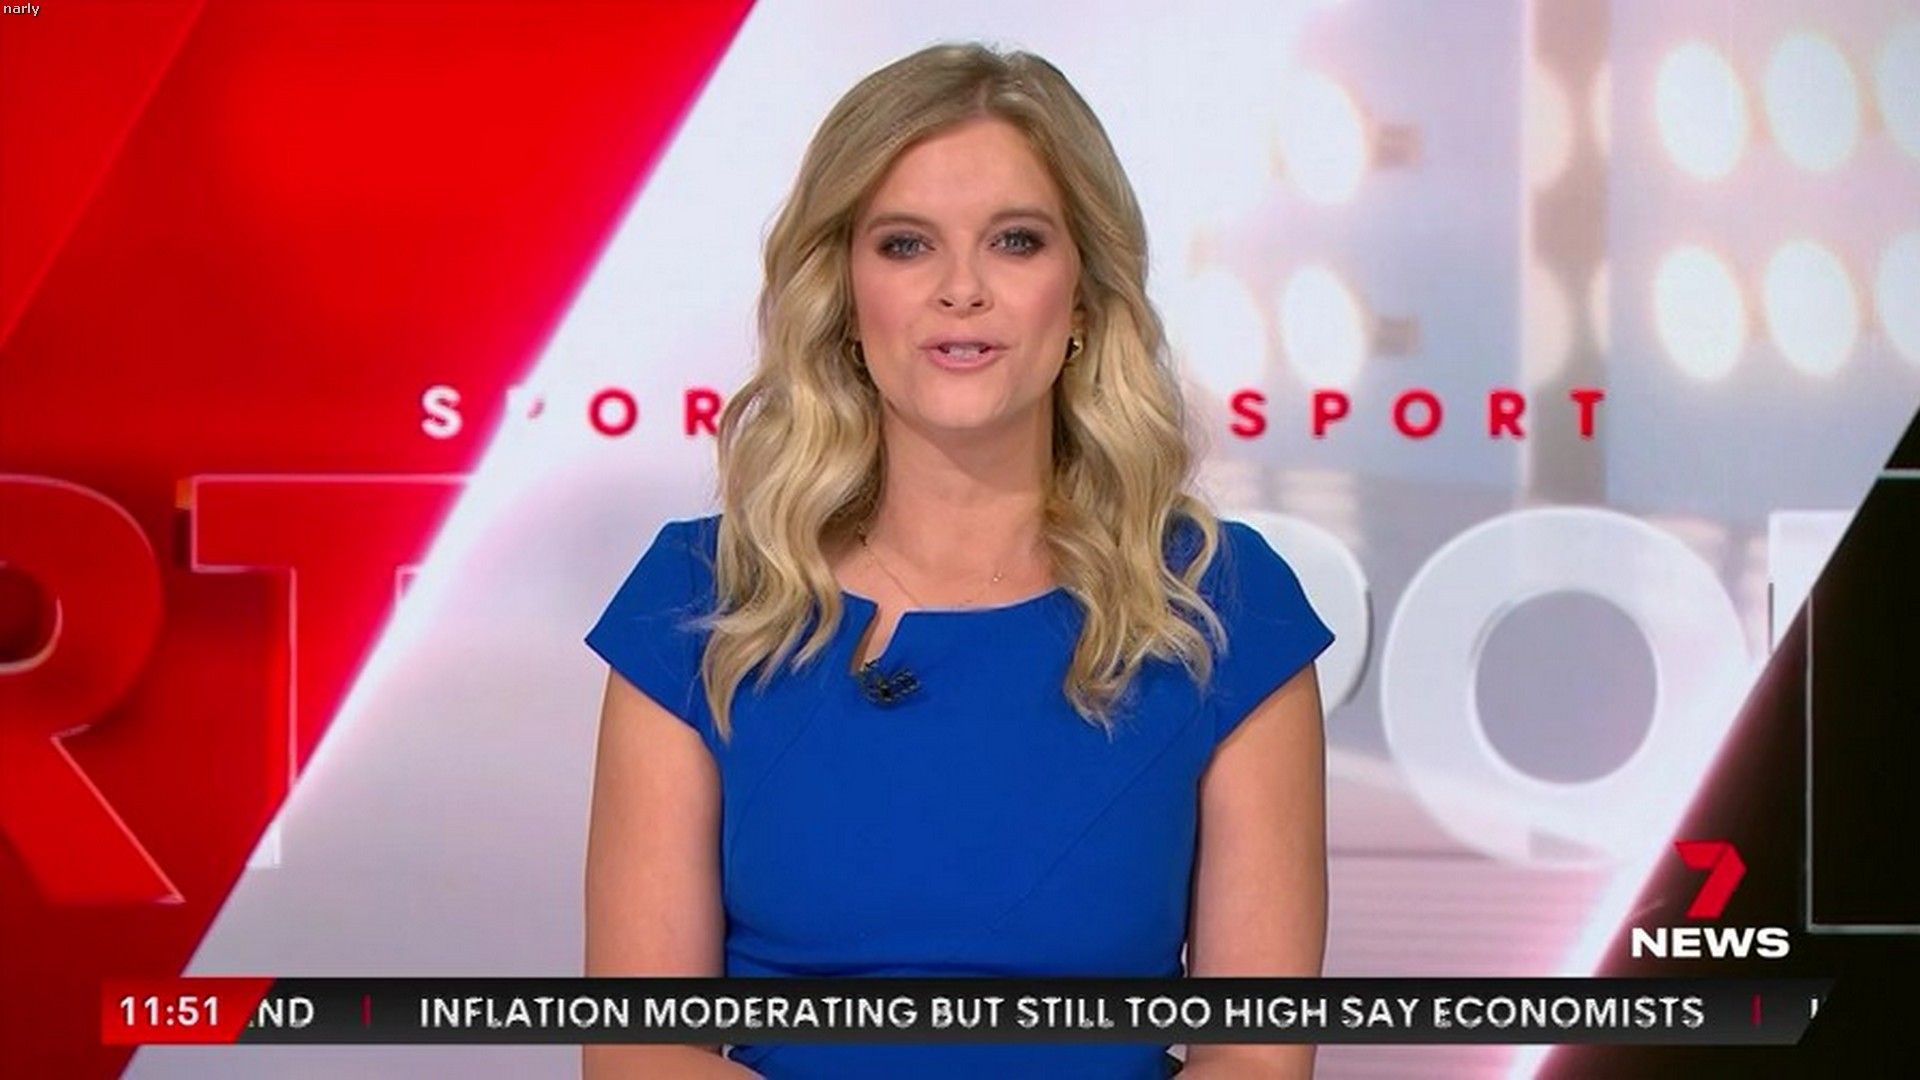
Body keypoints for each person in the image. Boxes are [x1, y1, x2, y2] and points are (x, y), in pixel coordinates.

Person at [582, 41, 1334, 1079]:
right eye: (906, 245)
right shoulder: (699, 601)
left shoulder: (1221, 607)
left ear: (1083, 296)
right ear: (845, 296)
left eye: (1016, 242)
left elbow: (1255, 1059)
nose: (961, 290)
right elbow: (638, 1054)